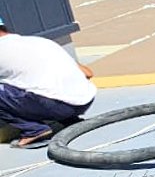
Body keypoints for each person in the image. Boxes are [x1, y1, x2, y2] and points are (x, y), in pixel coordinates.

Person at [0, 15, 97, 149]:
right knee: (39, 84)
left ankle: (33, 130)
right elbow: (87, 73)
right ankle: (70, 120)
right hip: (85, 101)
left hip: (57, 107)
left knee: (28, 87)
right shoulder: (39, 42)